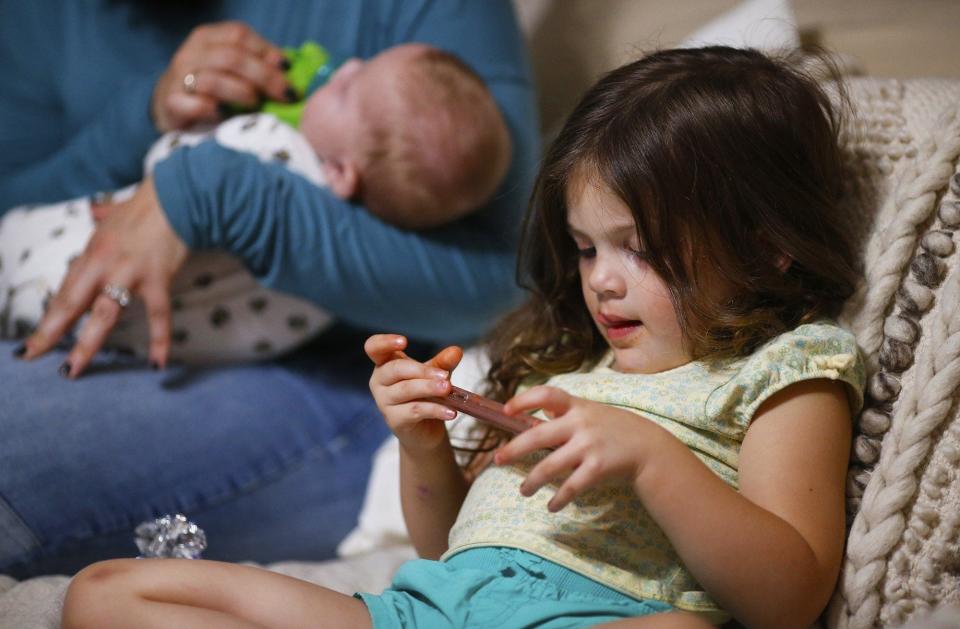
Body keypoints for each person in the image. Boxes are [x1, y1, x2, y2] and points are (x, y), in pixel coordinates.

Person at [61, 46, 865, 628]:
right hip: (427, 614)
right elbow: (452, 543)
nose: (602, 281)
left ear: (764, 243)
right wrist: (421, 446)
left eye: (641, 249)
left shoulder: (786, 366)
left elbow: (787, 596)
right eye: (585, 248)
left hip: (602, 618)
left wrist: (654, 459)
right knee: (107, 593)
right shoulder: (569, 366)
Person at [0, 0, 538, 578]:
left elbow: (514, 278)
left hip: (347, 375)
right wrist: (144, 117)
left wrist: (217, 195)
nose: (348, 67)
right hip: (95, 307)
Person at [0, 42, 511, 363]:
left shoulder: (266, 144)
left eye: (347, 90)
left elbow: (170, 163)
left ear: (339, 172)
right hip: (111, 333)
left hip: (50, 257)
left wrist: (218, 117)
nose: (345, 64)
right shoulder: (325, 287)